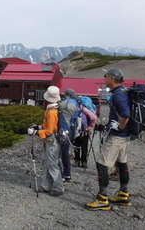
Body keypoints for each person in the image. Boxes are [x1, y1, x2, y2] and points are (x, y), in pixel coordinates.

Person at [85, 68, 132, 210]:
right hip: (125, 137)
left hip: (117, 137)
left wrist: (120, 127)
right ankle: (123, 194)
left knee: (102, 164)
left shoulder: (118, 95)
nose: (104, 79)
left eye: (106, 76)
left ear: (112, 78)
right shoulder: (124, 91)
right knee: (122, 163)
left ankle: (102, 199)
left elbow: (125, 114)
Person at [28, 86, 64, 196]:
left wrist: (36, 132)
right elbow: (49, 127)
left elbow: (49, 130)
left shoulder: (51, 112)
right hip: (53, 140)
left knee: (52, 164)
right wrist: (38, 127)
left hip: (51, 140)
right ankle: (46, 185)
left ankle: (58, 188)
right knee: (48, 162)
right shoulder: (55, 109)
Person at [59, 88, 80, 182]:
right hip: (72, 129)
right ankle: (67, 173)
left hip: (64, 129)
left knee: (62, 152)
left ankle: (65, 174)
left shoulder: (64, 103)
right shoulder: (77, 103)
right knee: (65, 152)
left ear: (66, 94)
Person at [74, 98, 98, 168]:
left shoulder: (83, 109)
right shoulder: (86, 109)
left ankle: (77, 161)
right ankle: (83, 162)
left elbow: (94, 118)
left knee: (77, 145)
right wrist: (90, 127)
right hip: (84, 131)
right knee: (84, 146)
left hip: (82, 130)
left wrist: (90, 127)